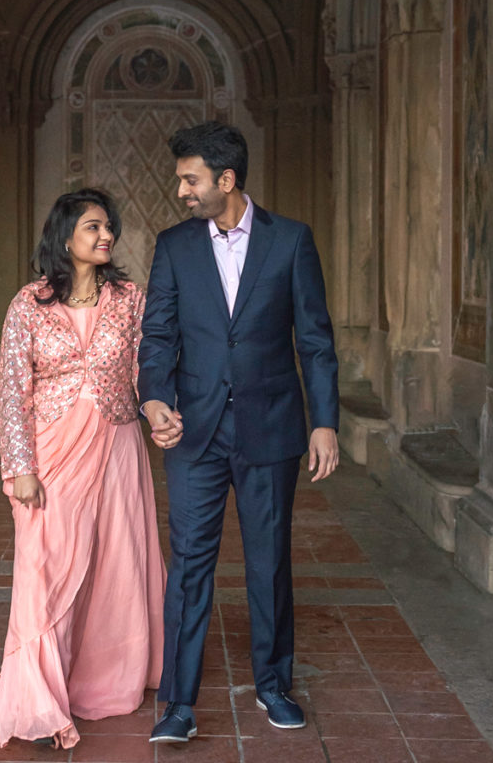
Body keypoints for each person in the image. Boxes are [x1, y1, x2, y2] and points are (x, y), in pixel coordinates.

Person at [138, 121, 339, 743]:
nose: (181, 191)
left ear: (227, 180)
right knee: (189, 566)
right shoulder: (173, 246)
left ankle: (274, 685)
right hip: (194, 433)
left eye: (190, 179)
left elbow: (315, 341)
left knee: (268, 564)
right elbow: (159, 336)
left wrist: (325, 422)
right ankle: (177, 703)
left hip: (272, 430)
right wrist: (154, 399)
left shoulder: (292, 242)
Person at [0, 188, 166, 751]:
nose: (106, 235)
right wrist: (20, 466)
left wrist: (159, 408)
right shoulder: (28, 304)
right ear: (65, 238)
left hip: (117, 444)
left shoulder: (130, 298)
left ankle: (107, 675)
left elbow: (146, 365)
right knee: (46, 569)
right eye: (92, 227)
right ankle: (38, 694)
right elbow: (12, 393)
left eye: (109, 226)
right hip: (51, 453)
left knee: (117, 559)